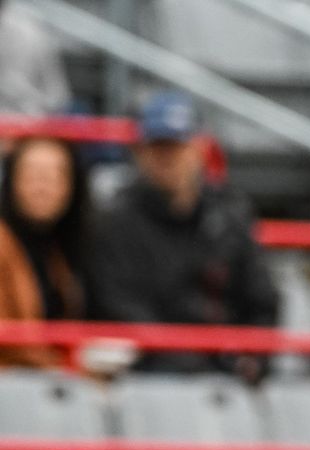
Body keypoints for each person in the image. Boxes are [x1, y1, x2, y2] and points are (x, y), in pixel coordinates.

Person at [87, 92, 279, 383]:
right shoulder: (116, 221)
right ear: (140, 153)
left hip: (224, 372)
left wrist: (252, 359)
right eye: (157, 147)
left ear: (199, 149)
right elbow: (117, 304)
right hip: (146, 373)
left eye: (176, 146)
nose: (168, 158)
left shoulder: (230, 216)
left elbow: (262, 300)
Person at [0, 136, 89, 368]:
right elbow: (11, 341)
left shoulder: (58, 249)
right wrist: (67, 370)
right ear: (12, 180)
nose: (42, 187)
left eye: (54, 177)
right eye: (32, 175)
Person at [0, 0, 72, 117]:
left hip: (27, 124)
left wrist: (25, 95)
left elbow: (59, 99)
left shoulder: (34, 34)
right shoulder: (35, 32)